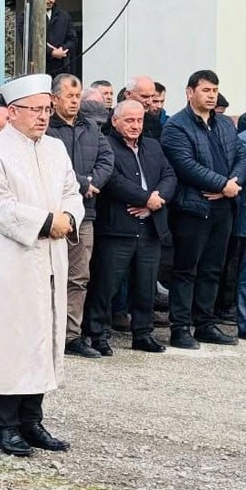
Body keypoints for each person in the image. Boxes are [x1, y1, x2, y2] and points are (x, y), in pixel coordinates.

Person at [0, 73, 84, 457]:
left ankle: (32, 420)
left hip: (49, 258)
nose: (43, 117)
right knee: (11, 338)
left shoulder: (54, 148)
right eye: (35, 110)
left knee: (42, 336)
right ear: (13, 112)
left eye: (47, 109)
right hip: (10, 261)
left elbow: (71, 190)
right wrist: (46, 222)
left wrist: (68, 214)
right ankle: (4, 424)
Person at [160, 70, 245, 349]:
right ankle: (181, 327)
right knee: (186, 269)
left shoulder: (224, 124)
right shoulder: (176, 126)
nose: (211, 95)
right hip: (192, 209)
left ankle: (205, 323)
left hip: (224, 207)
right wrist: (224, 184)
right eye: (206, 90)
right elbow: (185, 165)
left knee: (213, 268)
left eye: (214, 90)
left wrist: (231, 184)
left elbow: (241, 156)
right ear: (189, 92)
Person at [82, 101, 175, 355]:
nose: (135, 126)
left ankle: (143, 333)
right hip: (117, 228)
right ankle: (97, 334)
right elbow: (112, 180)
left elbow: (170, 176)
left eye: (139, 121)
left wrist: (155, 202)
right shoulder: (106, 145)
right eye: (129, 121)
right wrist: (145, 199)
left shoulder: (153, 146)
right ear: (115, 120)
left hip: (150, 226)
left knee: (145, 285)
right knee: (106, 285)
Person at [47, 74, 114, 358]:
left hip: (84, 214)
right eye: (69, 96)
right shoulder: (46, 129)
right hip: (52, 212)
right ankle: (47, 331)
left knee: (78, 276)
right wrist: (83, 184)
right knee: (50, 275)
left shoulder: (91, 128)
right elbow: (52, 164)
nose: (75, 101)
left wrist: (92, 182)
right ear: (54, 98)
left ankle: (71, 335)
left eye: (78, 97)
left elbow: (106, 158)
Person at [44, 0, 77, 76]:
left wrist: (62, 49)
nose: (52, 0)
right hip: (40, 68)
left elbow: (72, 40)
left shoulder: (64, 16)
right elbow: (29, 42)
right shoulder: (29, 16)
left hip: (60, 68)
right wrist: (51, 52)